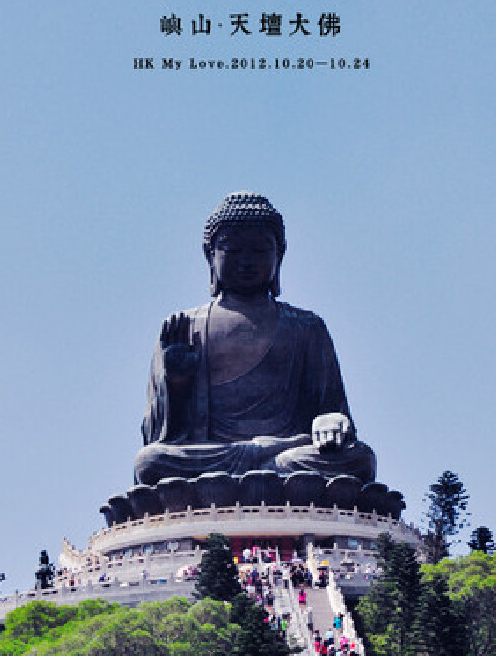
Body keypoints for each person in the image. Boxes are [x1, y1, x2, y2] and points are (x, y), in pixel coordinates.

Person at [133, 193, 377, 486]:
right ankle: (264, 476)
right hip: (213, 457)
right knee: (150, 461)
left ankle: (260, 474)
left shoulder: (307, 327)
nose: (246, 261)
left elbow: (332, 410)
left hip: (288, 451)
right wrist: (177, 384)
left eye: (260, 250)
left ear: (279, 255)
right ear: (210, 255)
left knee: (360, 459)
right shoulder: (184, 327)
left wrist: (330, 421)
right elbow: (158, 435)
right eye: (233, 250)